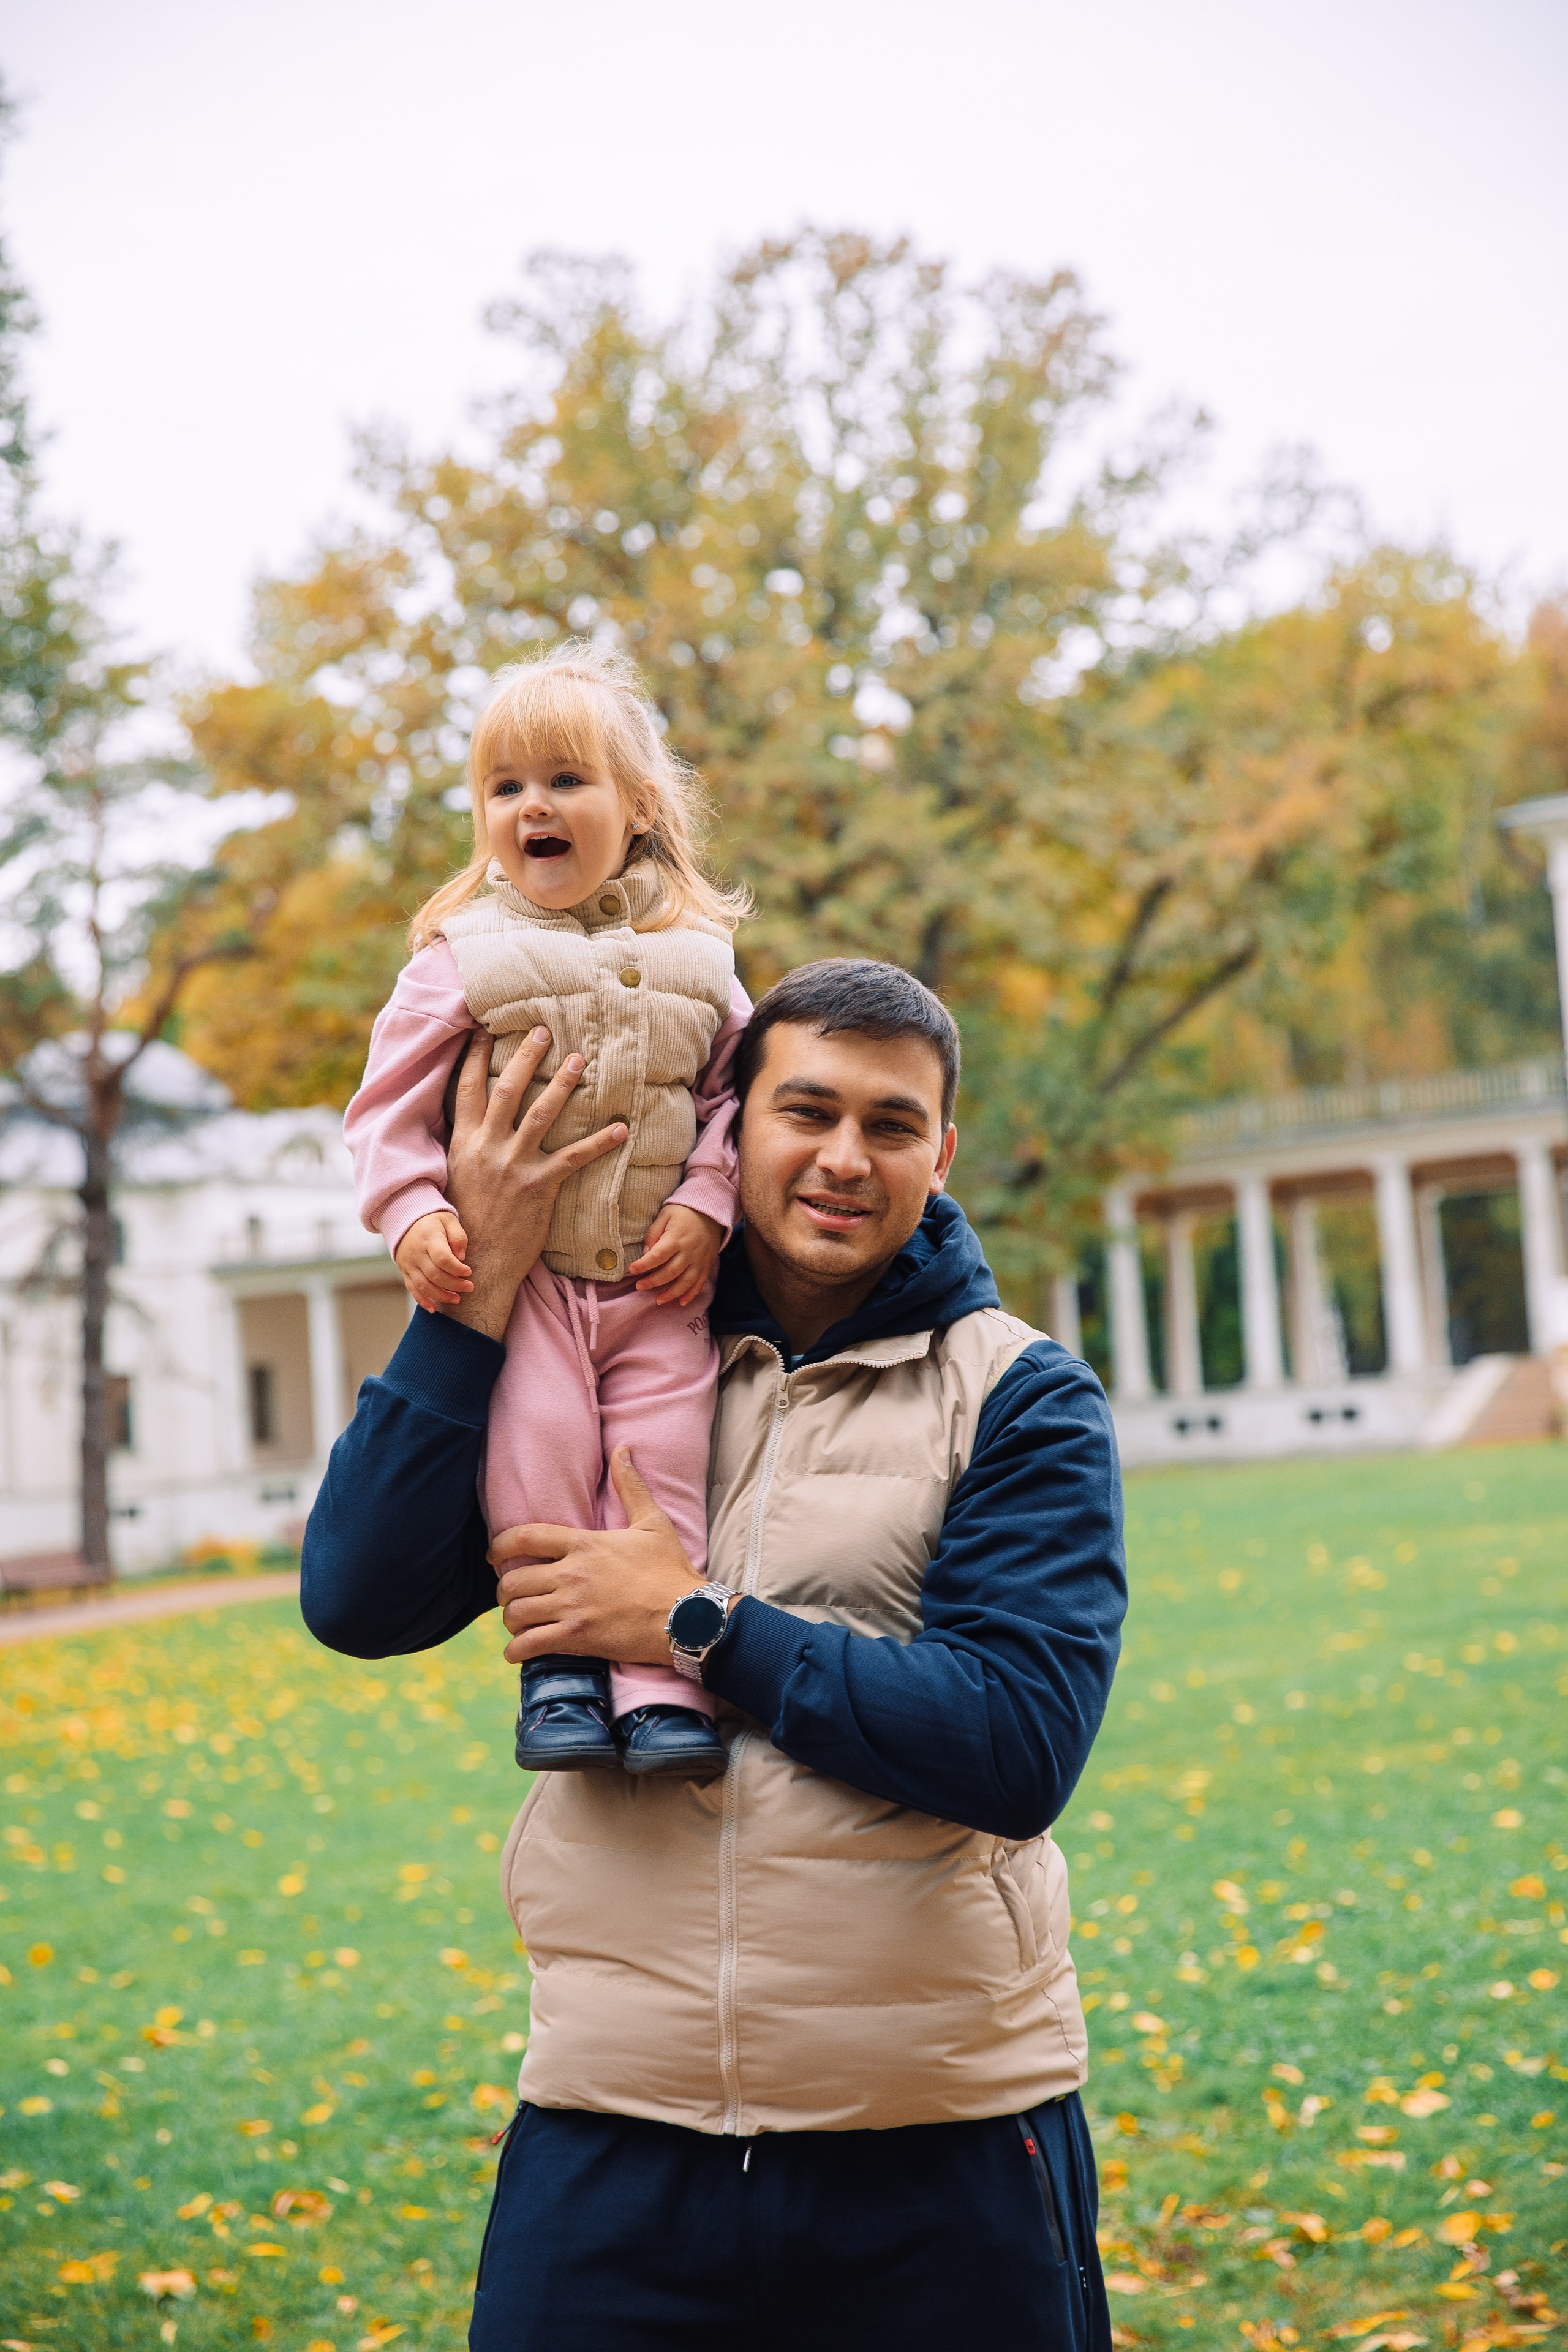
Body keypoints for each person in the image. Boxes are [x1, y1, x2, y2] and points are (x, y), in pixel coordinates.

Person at [303, 956, 1126, 2351]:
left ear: (942, 1149)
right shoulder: (590, 1347)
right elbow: (358, 1597)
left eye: (890, 1123)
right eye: (805, 1111)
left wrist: (697, 1627)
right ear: (727, 1121)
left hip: (938, 2143)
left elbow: (1011, 1745)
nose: (843, 1158)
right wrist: (481, 1284)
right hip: (614, 2143)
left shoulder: (1020, 1395)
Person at [341, 643, 751, 1780]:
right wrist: (415, 1212)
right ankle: (560, 1672)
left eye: (566, 781)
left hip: (657, 1288)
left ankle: (667, 1687)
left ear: (640, 807)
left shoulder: (703, 964)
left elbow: (735, 1102)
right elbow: (386, 1112)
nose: (535, 807)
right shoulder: (456, 964)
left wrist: (711, 1203)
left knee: (661, 1458)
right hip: (525, 1292)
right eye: (506, 787)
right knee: (540, 1457)